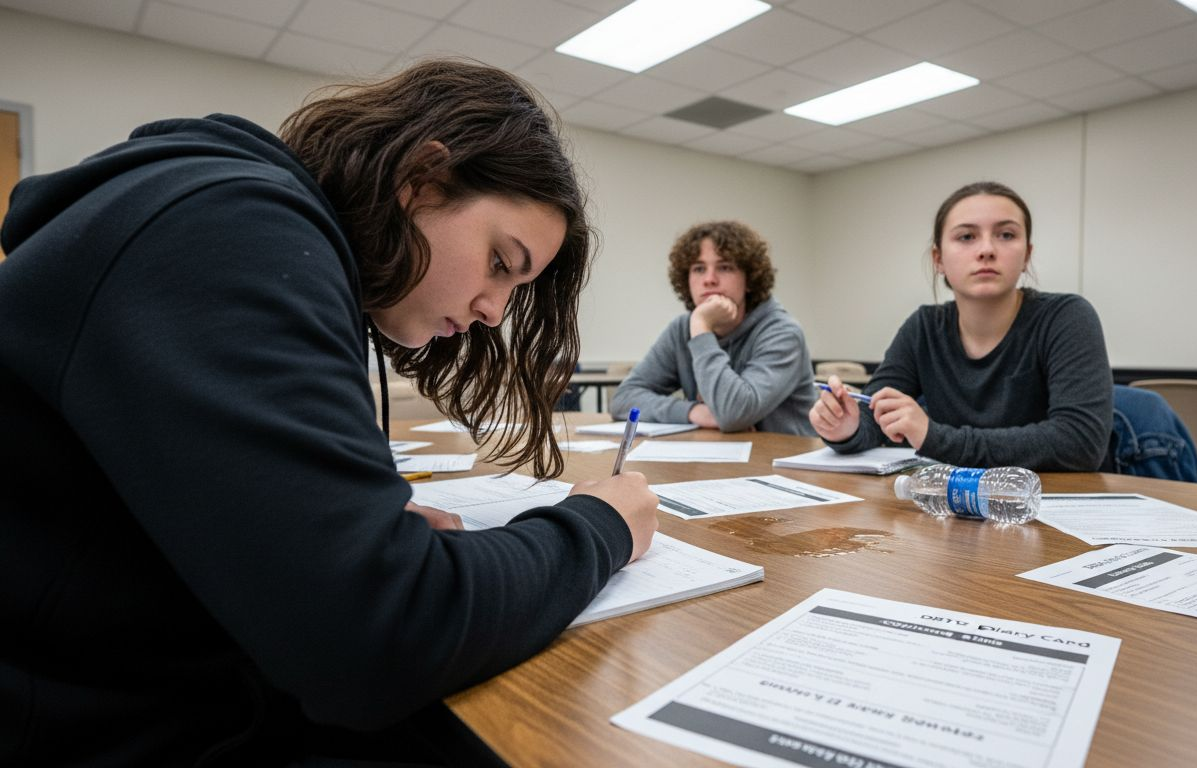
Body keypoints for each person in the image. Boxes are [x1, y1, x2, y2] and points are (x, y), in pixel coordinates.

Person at [0, 59, 658, 766]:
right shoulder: (234, 231)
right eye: (501, 261)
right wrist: (601, 528)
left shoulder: (239, 222)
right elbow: (379, 639)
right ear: (423, 179)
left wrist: (346, 539)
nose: (494, 312)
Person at [811, 181, 1112, 471]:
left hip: (1054, 507)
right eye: (966, 237)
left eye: (1006, 235)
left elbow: (1080, 442)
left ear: (1027, 256)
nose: (986, 250)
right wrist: (846, 428)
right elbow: (874, 419)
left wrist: (934, 437)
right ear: (938, 259)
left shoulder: (1066, 318)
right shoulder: (923, 328)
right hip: (954, 506)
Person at [610, 220, 815, 435]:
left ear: (750, 280)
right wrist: (694, 412)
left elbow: (733, 414)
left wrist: (701, 328)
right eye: (699, 268)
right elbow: (623, 399)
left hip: (783, 462)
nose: (709, 279)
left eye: (724, 267)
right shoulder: (681, 329)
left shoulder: (782, 332)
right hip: (719, 459)